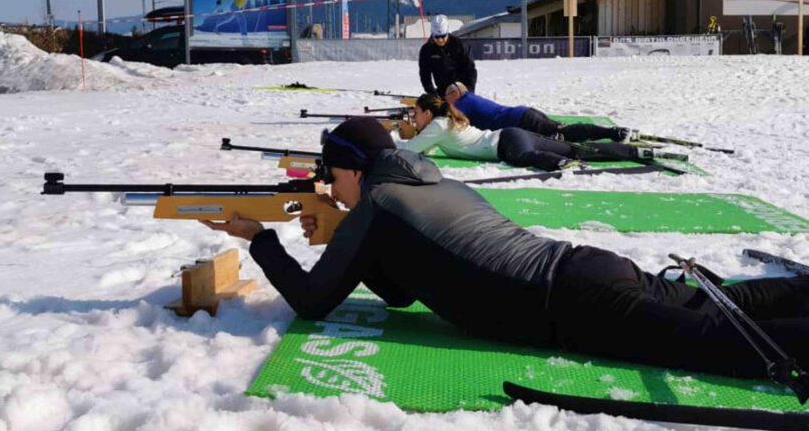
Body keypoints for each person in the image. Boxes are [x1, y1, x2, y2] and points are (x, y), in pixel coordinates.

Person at [202, 117, 809, 381]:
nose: (330, 191)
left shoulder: (381, 204)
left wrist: (262, 241)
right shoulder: (429, 181)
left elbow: (311, 301)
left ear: (356, 171)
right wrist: (344, 232)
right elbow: (406, 289)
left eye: (332, 179)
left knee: (713, 343)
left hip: (569, 301)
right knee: (717, 303)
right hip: (585, 268)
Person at [396, 94, 648, 171]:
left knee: (528, 157)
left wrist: (392, 135)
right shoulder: (446, 121)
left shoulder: (439, 125)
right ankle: (633, 151)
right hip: (511, 133)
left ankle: (562, 164)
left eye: (416, 113)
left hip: (507, 145)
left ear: (428, 113)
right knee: (575, 146)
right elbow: (425, 147)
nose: (415, 118)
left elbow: (410, 149)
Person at [444, 81, 630, 143]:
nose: (447, 102)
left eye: (447, 98)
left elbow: (446, 122)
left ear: (456, 94)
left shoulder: (463, 102)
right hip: (524, 114)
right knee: (564, 129)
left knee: (565, 133)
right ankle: (609, 132)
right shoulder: (470, 98)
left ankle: (611, 133)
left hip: (522, 120)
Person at [418, 14, 476, 95]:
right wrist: (431, 92)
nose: (440, 40)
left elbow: (470, 70)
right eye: (437, 37)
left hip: (461, 90)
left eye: (443, 36)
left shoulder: (460, 46)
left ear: (447, 32)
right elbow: (424, 74)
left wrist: (469, 91)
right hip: (442, 91)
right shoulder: (427, 50)